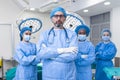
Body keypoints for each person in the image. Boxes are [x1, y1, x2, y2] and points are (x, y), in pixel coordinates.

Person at [37, 7, 78, 80]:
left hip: (67, 75)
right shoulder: (45, 35)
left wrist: (50, 55)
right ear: (51, 18)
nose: (58, 18)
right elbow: (40, 53)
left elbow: (72, 55)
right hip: (49, 75)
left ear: (65, 18)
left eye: (61, 16)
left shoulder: (72, 34)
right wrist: (61, 51)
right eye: (56, 16)